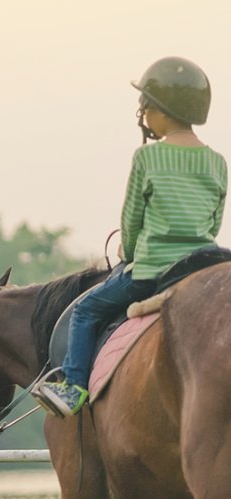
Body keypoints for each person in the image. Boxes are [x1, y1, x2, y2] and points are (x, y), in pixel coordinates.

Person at [36, 57, 227, 417]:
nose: (142, 112)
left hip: (154, 270)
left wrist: (130, 250)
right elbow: (213, 222)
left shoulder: (147, 158)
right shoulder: (217, 161)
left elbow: (132, 222)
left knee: (85, 311)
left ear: (162, 110)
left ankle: (74, 387)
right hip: (204, 268)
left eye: (146, 105)